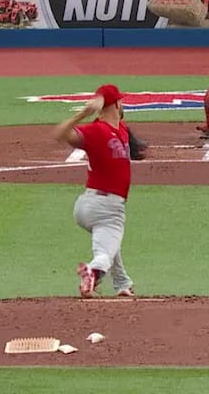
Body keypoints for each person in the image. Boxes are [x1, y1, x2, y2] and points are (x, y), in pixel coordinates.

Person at [54, 84, 136, 299]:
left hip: (89, 204)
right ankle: (93, 271)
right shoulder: (95, 131)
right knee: (104, 253)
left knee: (110, 242)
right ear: (116, 104)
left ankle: (122, 283)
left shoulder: (121, 129)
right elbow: (59, 134)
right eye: (121, 100)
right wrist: (84, 113)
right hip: (107, 206)